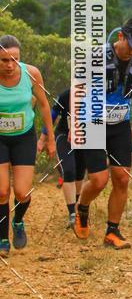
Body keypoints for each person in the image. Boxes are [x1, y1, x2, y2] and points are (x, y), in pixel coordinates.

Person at [73, 18, 132, 249]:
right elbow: (79, 88)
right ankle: (82, 207)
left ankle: (112, 231)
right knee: (98, 180)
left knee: (122, 178)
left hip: (120, 124)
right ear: (120, 37)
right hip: (93, 120)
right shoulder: (96, 56)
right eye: (130, 45)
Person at [0, 34, 55, 253]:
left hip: (23, 137)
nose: (10, 65)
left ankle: (18, 221)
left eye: (14, 59)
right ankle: (3, 238)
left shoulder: (31, 74)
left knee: (22, 193)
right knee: (2, 191)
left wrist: (50, 138)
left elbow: (43, 106)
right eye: (4, 60)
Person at [38, 88, 86, 227]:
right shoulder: (66, 94)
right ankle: (72, 213)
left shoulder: (97, 94)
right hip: (64, 136)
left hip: (84, 137)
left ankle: (77, 207)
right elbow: (52, 115)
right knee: (69, 171)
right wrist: (43, 138)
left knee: (79, 174)